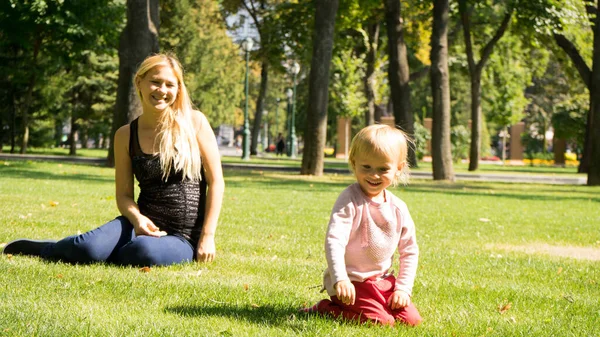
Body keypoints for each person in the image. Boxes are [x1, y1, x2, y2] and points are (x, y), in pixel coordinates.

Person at [3, 54, 225, 266]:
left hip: (182, 236)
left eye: (170, 84)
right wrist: (137, 220)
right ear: (139, 82)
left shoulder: (194, 123)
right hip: (138, 224)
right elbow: (124, 196)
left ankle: (116, 250)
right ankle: (52, 249)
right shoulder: (125, 135)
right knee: (87, 248)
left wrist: (207, 236)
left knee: (141, 252)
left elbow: (216, 182)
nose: (162, 90)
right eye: (155, 82)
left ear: (178, 89)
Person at [302, 124, 422, 326]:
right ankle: (326, 308)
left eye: (383, 169)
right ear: (354, 163)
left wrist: (402, 289)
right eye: (366, 167)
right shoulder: (349, 200)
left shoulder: (398, 208)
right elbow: (335, 241)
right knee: (381, 322)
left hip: (383, 282)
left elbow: (409, 250)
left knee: (411, 321)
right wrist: (340, 279)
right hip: (352, 283)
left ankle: (380, 302)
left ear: (398, 169)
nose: (374, 175)